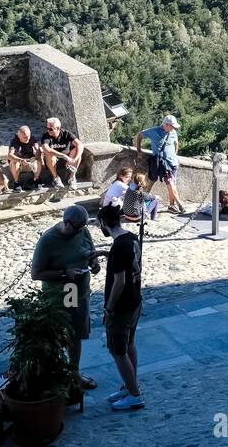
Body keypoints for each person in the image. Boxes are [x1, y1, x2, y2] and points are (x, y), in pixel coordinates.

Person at [29, 205, 100, 395]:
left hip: (80, 290)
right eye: (76, 228)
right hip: (62, 293)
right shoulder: (48, 240)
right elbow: (36, 273)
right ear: (66, 222)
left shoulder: (82, 230)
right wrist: (64, 273)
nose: (80, 231)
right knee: (63, 334)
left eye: (82, 228)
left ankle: (74, 372)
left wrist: (94, 263)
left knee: (76, 334)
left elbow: (90, 252)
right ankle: (56, 374)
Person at [103, 229, 144, 412]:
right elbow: (126, 262)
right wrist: (106, 254)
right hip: (135, 301)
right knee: (129, 344)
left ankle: (134, 395)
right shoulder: (130, 238)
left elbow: (119, 281)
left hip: (121, 308)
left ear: (104, 223)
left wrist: (109, 308)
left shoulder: (119, 246)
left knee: (118, 350)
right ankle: (130, 386)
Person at [136, 115, 186, 214]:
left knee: (172, 185)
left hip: (173, 163)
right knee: (170, 183)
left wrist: (175, 153)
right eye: (172, 126)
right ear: (165, 125)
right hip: (163, 163)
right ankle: (179, 203)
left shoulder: (173, 132)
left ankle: (172, 206)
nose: (173, 128)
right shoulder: (154, 131)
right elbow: (140, 135)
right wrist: (139, 150)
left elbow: (176, 143)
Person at [40, 117, 83, 190]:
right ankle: (56, 178)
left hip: (68, 162)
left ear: (58, 128)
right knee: (49, 154)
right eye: (47, 128)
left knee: (77, 151)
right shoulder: (46, 136)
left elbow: (80, 144)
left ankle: (72, 177)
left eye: (50, 129)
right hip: (54, 162)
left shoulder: (66, 133)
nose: (48, 130)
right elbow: (46, 148)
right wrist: (63, 156)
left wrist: (75, 159)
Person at [98, 166, 136, 238]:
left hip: (108, 207)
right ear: (121, 176)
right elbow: (133, 193)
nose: (129, 179)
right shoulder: (120, 184)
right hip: (111, 208)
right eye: (127, 177)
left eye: (130, 177)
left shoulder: (116, 182)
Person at [4, 126, 42, 190]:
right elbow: (10, 155)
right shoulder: (14, 141)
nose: (27, 139)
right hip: (19, 162)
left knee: (39, 159)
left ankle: (36, 180)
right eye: (24, 137)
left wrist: (38, 154)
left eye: (28, 136)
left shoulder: (32, 138)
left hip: (29, 160)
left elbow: (37, 150)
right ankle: (16, 182)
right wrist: (21, 160)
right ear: (19, 136)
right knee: (14, 162)